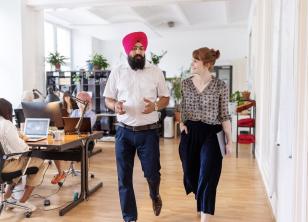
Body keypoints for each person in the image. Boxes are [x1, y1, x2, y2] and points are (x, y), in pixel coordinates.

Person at [104, 31, 169, 222]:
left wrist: (156, 105)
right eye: (134, 48)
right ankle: (130, 218)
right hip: (123, 132)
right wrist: (114, 105)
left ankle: (154, 194)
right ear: (127, 51)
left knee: (152, 173)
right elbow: (108, 99)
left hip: (147, 133)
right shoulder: (117, 72)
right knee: (124, 178)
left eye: (141, 48)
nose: (139, 51)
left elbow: (165, 98)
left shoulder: (155, 71)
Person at [179, 47, 233, 222]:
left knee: (208, 173)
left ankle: (205, 215)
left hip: (212, 132)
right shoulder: (185, 84)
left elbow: (224, 115)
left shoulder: (220, 86)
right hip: (191, 131)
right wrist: (181, 124)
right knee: (191, 172)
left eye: (196, 60)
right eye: (193, 60)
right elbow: (183, 108)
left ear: (207, 64)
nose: (192, 63)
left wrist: (229, 140)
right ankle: (199, 199)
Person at [0, 98, 47, 211]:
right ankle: (23, 201)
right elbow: (21, 148)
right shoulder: (6, 124)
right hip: (5, 167)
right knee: (41, 162)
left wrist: (18, 136)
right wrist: (24, 141)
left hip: (3, 164)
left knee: (21, 162)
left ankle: (6, 197)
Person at [51, 91, 96, 185]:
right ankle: (60, 173)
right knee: (54, 149)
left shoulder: (92, 114)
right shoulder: (75, 112)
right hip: (71, 140)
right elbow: (70, 127)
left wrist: (83, 112)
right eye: (78, 102)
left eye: (82, 102)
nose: (79, 103)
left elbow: (85, 128)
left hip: (84, 142)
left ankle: (84, 182)